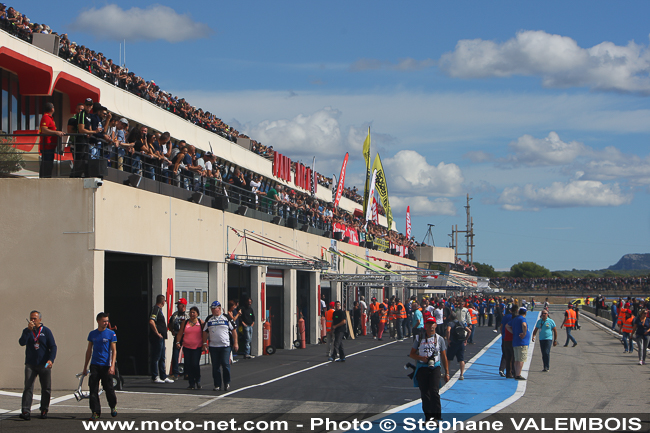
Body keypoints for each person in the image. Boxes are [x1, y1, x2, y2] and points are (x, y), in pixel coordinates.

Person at [409, 316, 449, 422]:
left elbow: (444, 356)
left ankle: (436, 416)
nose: (431, 326)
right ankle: (428, 417)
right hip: (422, 367)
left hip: (435, 367)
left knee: (434, 391)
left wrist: (447, 372)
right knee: (424, 393)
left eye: (433, 324)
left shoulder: (440, 339)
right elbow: (411, 354)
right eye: (429, 324)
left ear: (435, 325)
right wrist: (421, 358)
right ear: (425, 325)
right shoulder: (419, 338)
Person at [18, 310, 57, 420]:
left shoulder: (46, 331)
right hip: (31, 364)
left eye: (35, 318)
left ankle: (44, 409)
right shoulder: (27, 331)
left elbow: (53, 346)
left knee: (46, 388)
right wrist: (28, 331)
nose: (32, 320)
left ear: (40, 319)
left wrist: (51, 360)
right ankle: (25, 411)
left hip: (44, 364)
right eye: (31, 318)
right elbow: (22, 342)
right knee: (28, 387)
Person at [82, 312, 117, 420]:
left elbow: (114, 351)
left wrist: (112, 366)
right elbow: (89, 351)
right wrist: (85, 367)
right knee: (93, 390)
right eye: (104, 321)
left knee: (109, 389)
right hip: (95, 365)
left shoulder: (111, 334)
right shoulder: (92, 334)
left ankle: (112, 406)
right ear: (98, 321)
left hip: (106, 366)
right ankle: (95, 412)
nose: (106, 323)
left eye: (107, 321)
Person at [203, 301, 238, 391]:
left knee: (225, 364)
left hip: (225, 345)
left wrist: (235, 343)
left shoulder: (226, 318)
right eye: (212, 308)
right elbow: (205, 331)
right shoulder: (209, 319)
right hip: (213, 346)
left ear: (219, 308)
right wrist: (204, 343)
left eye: (215, 308)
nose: (213, 310)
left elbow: (233, 330)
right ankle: (217, 384)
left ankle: (227, 382)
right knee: (215, 366)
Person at [175, 306, 204, 389]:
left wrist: (205, 343)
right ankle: (191, 383)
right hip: (187, 347)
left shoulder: (200, 322)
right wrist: (178, 342)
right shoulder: (185, 323)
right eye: (191, 312)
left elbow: (205, 333)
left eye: (194, 312)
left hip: (197, 347)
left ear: (197, 314)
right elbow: (180, 333)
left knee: (195, 364)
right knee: (188, 365)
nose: (192, 314)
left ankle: (197, 380)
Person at [149, 295, 173, 383]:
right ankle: (155, 376)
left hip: (161, 338)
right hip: (157, 338)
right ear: (163, 302)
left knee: (162, 356)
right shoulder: (155, 309)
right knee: (156, 357)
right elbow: (151, 321)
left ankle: (163, 376)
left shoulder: (159, 310)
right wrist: (157, 333)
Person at [38, 102, 65, 178]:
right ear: (52, 109)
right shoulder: (46, 117)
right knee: (47, 163)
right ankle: (45, 177)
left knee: (49, 163)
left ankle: (46, 177)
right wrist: (56, 132)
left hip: (50, 145)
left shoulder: (49, 118)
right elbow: (44, 129)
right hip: (47, 145)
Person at [445, 313, 471, 380]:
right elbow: (469, 331)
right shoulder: (461, 323)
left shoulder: (450, 323)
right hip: (461, 343)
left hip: (453, 343)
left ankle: (447, 373)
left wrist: (448, 340)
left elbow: (448, 330)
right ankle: (461, 374)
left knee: (448, 359)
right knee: (461, 359)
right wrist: (466, 339)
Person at [506, 307, 530, 380]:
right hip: (522, 342)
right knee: (521, 359)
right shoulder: (522, 319)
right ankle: (518, 374)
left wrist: (514, 332)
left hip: (515, 341)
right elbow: (524, 325)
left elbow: (507, 326)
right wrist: (524, 333)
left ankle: (516, 373)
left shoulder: (515, 319)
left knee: (516, 359)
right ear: (525, 313)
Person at [168, 298, 188, 380]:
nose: (177, 306)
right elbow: (170, 324)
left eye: (178, 304)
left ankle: (187, 372)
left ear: (183, 306)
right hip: (177, 336)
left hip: (186, 336)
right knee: (175, 354)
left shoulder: (188, 314)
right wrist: (172, 330)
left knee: (187, 354)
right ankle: (175, 373)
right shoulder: (175, 314)